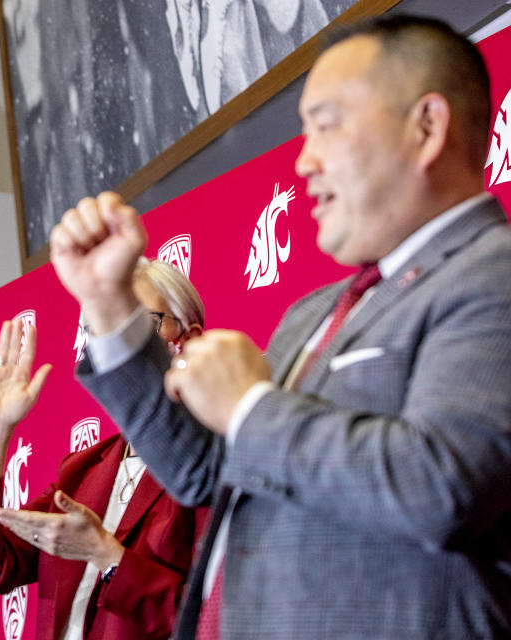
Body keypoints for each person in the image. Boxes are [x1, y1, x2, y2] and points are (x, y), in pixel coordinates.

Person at [49, 15, 511, 640]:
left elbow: (440, 487)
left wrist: (250, 404)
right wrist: (108, 305)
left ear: (426, 126)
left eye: (326, 126)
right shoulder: (316, 312)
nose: (304, 161)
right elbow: (203, 472)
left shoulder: (491, 276)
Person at [0, 259, 206, 640]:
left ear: (190, 339)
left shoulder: (216, 467)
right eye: (100, 334)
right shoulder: (82, 469)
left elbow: (214, 620)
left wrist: (106, 556)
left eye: (140, 327)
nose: (118, 351)